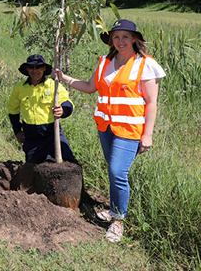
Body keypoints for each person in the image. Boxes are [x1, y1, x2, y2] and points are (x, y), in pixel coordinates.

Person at [55, 19, 165, 243]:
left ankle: (118, 221)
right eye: (116, 37)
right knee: (113, 170)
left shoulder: (145, 64)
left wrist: (148, 134)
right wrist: (64, 78)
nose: (121, 41)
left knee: (117, 171)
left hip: (130, 129)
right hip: (105, 127)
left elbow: (151, 102)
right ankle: (114, 208)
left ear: (134, 39)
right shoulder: (105, 62)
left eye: (126, 36)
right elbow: (89, 87)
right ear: (111, 41)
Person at [8, 54, 76, 164]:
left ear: (44, 68)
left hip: (52, 134)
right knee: (33, 171)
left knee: (71, 164)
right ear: (27, 69)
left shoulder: (53, 85)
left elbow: (67, 102)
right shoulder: (19, 88)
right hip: (31, 137)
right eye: (31, 67)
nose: (35, 70)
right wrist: (17, 131)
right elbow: (13, 110)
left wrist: (63, 110)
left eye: (38, 67)